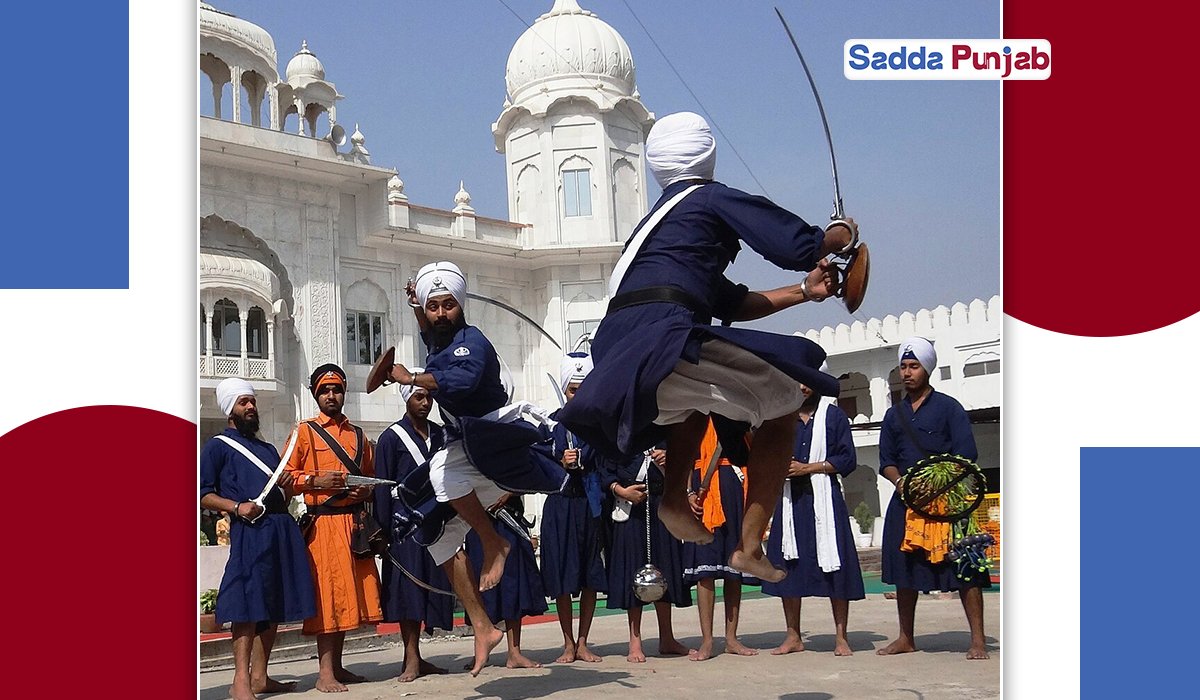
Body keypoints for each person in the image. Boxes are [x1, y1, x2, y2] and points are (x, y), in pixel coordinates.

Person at [560, 111, 856, 583]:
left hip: (619, 346)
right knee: (783, 402)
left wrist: (805, 291)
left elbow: (732, 303)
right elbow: (794, 244)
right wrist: (834, 237)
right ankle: (750, 545)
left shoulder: (655, 232)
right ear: (707, 156)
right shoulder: (709, 198)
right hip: (665, 332)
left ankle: (675, 496)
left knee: (693, 404)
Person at [382, 260, 567, 675]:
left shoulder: (473, 342)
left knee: (441, 474)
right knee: (432, 532)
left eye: (449, 305)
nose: (441, 313)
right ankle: (483, 626)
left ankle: (494, 543)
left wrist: (410, 376)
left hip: (493, 439)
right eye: (434, 307)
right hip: (471, 450)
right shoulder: (440, 340)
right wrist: (416, 305)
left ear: (461, 305)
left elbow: (462, 382)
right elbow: (431, 335)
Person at [876, 337, 991, 659]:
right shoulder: (893, 415)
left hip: (948, 504)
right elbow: (886, 460)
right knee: (904, 571)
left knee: (966, 569)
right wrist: (902, 484)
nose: (907, 372)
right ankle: (906, 638)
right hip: (906, 502)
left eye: (914, 366)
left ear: (927, 369)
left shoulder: (949, 408)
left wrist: (937, 485)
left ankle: (978, 640)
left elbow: (966, 454)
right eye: (903, 366)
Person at [200, 377, 315, 700]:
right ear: (230, 411)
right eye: (243, 403)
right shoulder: (217, 447)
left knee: (273, 602)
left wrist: (291, 486)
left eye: (251, 401)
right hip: (249, 531)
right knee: (247, 604)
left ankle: (261, 677)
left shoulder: (266, 448)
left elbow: (281, 489)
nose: (250, 407)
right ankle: (240, 681)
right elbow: (203, 494)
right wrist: (236, 507)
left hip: (280, 528)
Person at [284, 364, 384, 692]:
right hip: (322, 525)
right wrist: (316, 480)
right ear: (316, 394)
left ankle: (338, 667)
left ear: (343, 393)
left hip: (353, 524)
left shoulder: (359, 435)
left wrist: (364, 491)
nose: (331, 395)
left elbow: (369, 479)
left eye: (336, 389)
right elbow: (284, 477)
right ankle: (324, 673)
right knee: (327, 597)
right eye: (325, 390)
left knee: (347, 596)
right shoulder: (305, 431)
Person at [763, 378, 864, 657]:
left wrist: (808, 468)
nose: (802, 388)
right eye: (797, 383)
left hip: (825, 502)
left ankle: (841, 637)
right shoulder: (781, 418)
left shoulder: (834, 416)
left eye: (807, 382)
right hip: (789, 502)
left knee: (836, 567)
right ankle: (793, 636)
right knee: (787, 567)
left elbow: (847, 459)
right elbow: (766, 453)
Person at [372, 375, 453, 683]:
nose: (425, 402)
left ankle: (421, 657)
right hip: (403, 524)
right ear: (407, 398)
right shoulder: (392, 438)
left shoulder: (441, 435)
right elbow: (382, 485)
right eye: (418, 397)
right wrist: (383, 528)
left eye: (428, 397)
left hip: (435, 521)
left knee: (431, 587)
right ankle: (411, 658)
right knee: (408, 592)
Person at [541, 353, 608, 664]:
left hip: (590, 503)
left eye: (583, 390)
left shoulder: (597, 423)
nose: (578, 396)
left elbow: (606, 457)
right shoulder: (550, 423)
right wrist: (559, 458)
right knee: (563, 577)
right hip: (560, 504)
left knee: (589, 574)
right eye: (573, 390)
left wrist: (584, 457)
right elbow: (538, 460)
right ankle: (567, 642)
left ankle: (583, 641)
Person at [599, 446, 693, 663]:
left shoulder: (664, 432)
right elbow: (605, 472)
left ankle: (667, 637)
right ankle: (635, 641)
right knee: (634, 570)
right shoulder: (618, 438)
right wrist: (621, 491)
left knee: (665, 569)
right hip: (630, 509)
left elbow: (684, 467)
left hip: (661, 504)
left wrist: (669, 463)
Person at [682, 418, 757, 660]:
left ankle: (732, 638)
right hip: (703, 491)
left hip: (734, 487)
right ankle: (707, 640)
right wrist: (688, 492)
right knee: (706, 572)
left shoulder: (737, 412)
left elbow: (752, 449)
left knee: (732, 568)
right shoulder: (691, 415)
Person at [465, 494, 548, 669]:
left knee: (513, 584)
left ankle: (514, 652)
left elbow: (526, 475)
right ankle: (480, 650)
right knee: (480, 585)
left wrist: (508, 494)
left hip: (509, 515)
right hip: (478, 516)